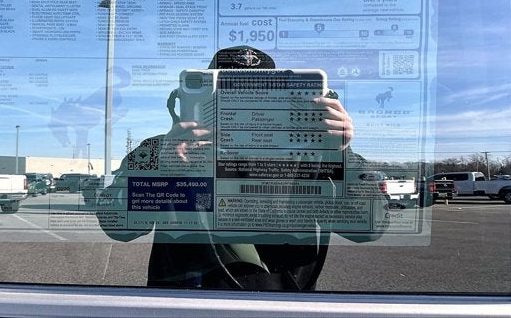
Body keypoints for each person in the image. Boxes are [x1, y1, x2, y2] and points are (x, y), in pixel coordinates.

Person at [98, 46, 372, 291]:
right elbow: (117, 225)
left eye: (260, 96)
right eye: (228, 95)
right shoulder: (161, 150)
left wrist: (341, 156)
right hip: (184, 305)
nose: (245, 106)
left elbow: (367, 226)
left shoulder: (311, 152)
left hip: (282, 305)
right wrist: (164, 169)